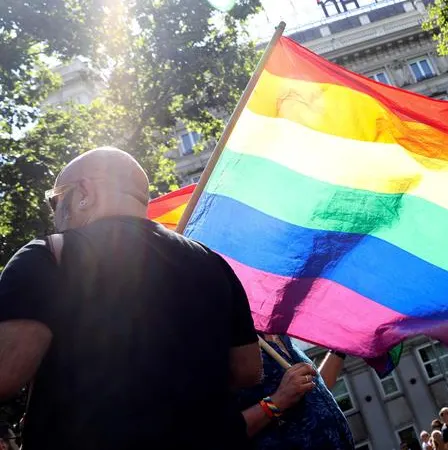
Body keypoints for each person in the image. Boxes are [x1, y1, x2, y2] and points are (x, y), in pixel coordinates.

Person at [0, 148, 262, 450]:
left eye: (56, 201)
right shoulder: (212, 262)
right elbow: (247, 370)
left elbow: (7, 372)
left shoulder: (48, 255)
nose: (55, 214)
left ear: (85, 192)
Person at [235, 334, 354, 449]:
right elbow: (222, 432)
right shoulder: (229, 348)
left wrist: (339, 350)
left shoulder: (282, 336)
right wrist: (278, 401)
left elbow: (312, 396)